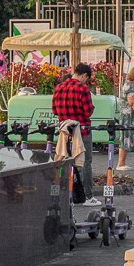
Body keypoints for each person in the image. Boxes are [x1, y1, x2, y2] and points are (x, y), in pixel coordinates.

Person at [50, 62, 96, 203]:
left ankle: (61, 193)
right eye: (86, 78)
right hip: (82, 130)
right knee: (84, 162)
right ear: (84, 75)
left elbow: (54, 110)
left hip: (65, 130)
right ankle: (87, 196)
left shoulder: (59, 87)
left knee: (64, 161)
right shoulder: (83, 88)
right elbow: (88, 111)